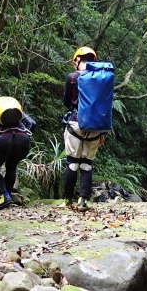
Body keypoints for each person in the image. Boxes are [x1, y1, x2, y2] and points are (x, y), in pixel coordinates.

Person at [58, 46, 106, 211]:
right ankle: (83, 201)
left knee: (72, 163)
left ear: (77, 60)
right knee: (87, 164)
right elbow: (105, 106)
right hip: (96, 127)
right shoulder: (102, 78)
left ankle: (67, 200)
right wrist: (103, 133)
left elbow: (66, 101)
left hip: (76, 123)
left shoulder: (72, 77)